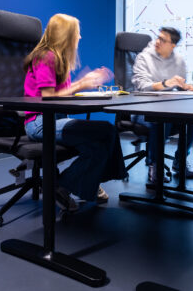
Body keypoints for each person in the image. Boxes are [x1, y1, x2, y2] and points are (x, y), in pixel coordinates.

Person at [23, 13, 127, 211]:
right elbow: (49, 96)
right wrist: (82, 84)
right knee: (105, 131)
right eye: (77, 33)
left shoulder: (58, 60)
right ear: (66, 35)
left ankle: (84, 182)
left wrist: (86, 80)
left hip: (55, 120)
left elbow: (62, 95)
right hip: (39, 123)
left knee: (103, 137)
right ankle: (62, 186)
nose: (79, 38)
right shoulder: (46, 57)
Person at [130, 27, 193, 183]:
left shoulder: (179, 60)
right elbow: (142, 86)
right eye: (158, 38)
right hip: (143, 110)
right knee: (162, 118)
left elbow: (179, 85)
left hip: (168, 107)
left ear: (173, 45)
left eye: (163, 40)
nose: (157, 42)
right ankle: (155, 164)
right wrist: (166, 83)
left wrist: (185, 87)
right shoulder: (143, 58)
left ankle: (180, 160)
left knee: (191, 121)